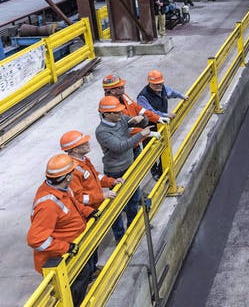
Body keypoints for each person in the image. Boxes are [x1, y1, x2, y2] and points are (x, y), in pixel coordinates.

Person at [28, 154, 97, 306]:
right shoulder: (48, 205)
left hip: (72, 250)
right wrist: (65, 247)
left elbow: (74, 206)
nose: (74, 175)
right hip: (58, 260)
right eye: (72, 172)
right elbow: (36, 240)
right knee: (69, 294)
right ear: (66, 177)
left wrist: (87, 212)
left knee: (82, 276)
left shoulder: (63, 189)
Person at [95, 96, 160, 241]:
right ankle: (120, 238)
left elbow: (140, 123)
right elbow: (120, 147)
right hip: (116, 171)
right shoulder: (102, 132)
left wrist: (140, 119)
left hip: (129, 166)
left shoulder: (120, 119)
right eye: (117, 112)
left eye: (120, 111)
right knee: (117, 206)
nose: (120, 114)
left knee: (134, 199)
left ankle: (133, 228)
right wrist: (141, 135)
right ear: (106, 114)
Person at [103, 74, 169, 179]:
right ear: (112, 91)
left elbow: (138, 108)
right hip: (126, 148)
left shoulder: (123, 96)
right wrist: (147, 133)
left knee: (137, 173)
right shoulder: (110, 108)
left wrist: (157, 118)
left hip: (135, 141)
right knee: (129, 176)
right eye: (120, 87)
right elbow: (124, 128)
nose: (123, 88)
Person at [60, 130, 121, 210]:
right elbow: (80, 198)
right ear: (75, 150)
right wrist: (101, 196)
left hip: (100, 204)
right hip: (92, 211)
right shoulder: (72, 171)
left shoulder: (84, 160)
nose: (88, 144)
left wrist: (111, 181)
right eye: (84, 143)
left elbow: (95, 176)